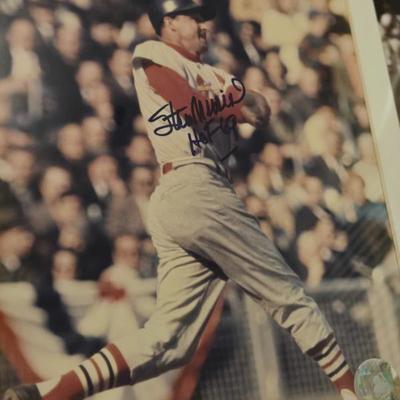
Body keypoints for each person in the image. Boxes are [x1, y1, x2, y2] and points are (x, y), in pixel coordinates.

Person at [4, 1, 358, 399]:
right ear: (169, 22)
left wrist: (235, 98)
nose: (205, 25)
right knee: (286, 292)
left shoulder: (215, 72)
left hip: (196, 193)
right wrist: (231, 101)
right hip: (192, 184)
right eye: (194, 17)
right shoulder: (153, 51)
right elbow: (187, 103)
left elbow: (260, 110)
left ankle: (45, 394)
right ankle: (351, 390)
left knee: (169, 341)